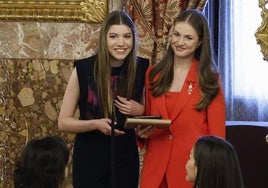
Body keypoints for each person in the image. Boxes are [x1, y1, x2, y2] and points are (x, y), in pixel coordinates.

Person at [58, 10, 149, 188]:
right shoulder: (84, 69)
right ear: (104, 39)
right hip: (90, 155)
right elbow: (63, 122)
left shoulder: (143, 69)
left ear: (134, 39)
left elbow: (150, 119)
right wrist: (96, 124)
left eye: (127, 36)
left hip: (125, 156)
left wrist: (141, 111)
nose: (121, 43)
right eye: (114, 36)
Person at [136, 9, 226, 188]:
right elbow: (151, 119)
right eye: (176, 34)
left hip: (190, 172)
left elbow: (217, 140)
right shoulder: (153, 74)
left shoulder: (209, 81)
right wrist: (142, 131)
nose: (179, 42)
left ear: (200, 42)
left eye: (188, 38)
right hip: (155, 170)